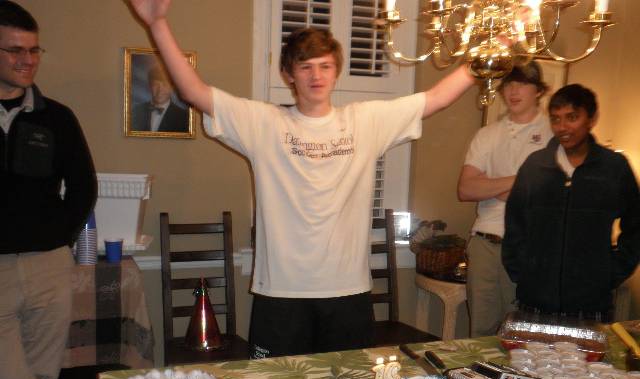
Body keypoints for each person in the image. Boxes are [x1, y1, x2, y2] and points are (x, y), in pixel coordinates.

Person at [130, 0, 476, 359]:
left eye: (325, 66)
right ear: (288, 74)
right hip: (281, 293)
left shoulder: (366, 122)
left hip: (347, 292)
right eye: (305, 66)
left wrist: (487, 57)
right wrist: (158, 24)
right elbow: (194, 92)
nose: (316, 75)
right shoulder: (264, 124)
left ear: (336, 72)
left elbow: (436, 98)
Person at [0, 2, 97, 379]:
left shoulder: (57, 117)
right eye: (15, 50)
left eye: (34, 50)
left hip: (48, 268)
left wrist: (58, 240)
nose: (27, 60)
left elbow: (83, 188)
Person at [502, 84, 640, 320]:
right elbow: (515, 225)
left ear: (591, 119)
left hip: (590, 305)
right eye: (555, 119)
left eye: (572, 117)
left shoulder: (614, 168)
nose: (562, 127)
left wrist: (610, 273)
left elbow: (636, 226)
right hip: (534, 302)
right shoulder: (535, 166)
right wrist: (523, 272)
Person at [457, 62, 553, 337]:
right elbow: (466, 189)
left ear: (538, 91)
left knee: (522, 332)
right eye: (509, 84)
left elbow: (549, 194)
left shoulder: (553, 135)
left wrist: (491, 186)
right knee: (481, 332)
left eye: (522, 84)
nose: (513, 91)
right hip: (484, 243)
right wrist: (520, 180)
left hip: (530, 245)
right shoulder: (488, 134)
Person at [131, 62, 188, 132]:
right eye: (155, 85)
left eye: (165, 84)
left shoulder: (183, 117)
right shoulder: (136, 111)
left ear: (172, 88)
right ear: (150, 86)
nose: (160, 90)